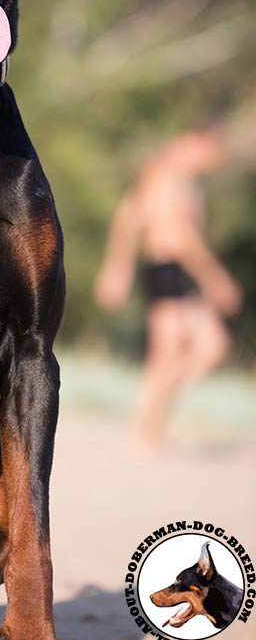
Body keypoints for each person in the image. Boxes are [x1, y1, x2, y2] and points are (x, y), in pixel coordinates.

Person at [94, 128, 243, 451]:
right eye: (214, 157)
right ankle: (142, 430)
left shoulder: (183, 179)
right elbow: (137, 219)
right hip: (166, 269)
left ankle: (154, 421)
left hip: (181, 273)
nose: (212, 165)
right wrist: (117, 267)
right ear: (200, 142)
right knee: (167, 353)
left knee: (211, 346)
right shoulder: (164, 174)